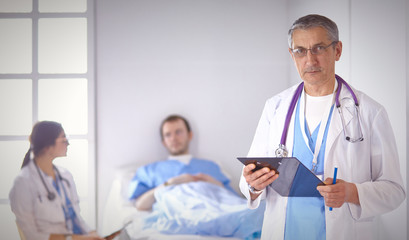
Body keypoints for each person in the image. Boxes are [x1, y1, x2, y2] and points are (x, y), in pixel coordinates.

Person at [239, 14, 405, 240]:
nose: (310, 60)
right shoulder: (275, 107)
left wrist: (352, 192)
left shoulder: (370, 112)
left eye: (318, 48)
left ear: (337, 50)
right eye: (300, 50)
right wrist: (253, 185)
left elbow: (394, 191)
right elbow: (250, 175)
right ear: (292, 54)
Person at [9, 121, 103, 240]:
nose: (68, 144)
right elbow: (32, 235)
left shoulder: (65, 176)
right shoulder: (23, 183)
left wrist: (91, 234)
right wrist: (76, 238)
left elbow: (76, 217)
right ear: (48, 146)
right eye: (63, 140)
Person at [128, 114, 236, 210]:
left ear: (190, 135)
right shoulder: (150, 171)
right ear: (164, 142)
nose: (174, 138)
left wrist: (214, 184)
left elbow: (236, 202)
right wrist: (170, 183)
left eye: (178, 132)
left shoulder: (211, 167)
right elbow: (140, 205)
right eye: (168, 135)